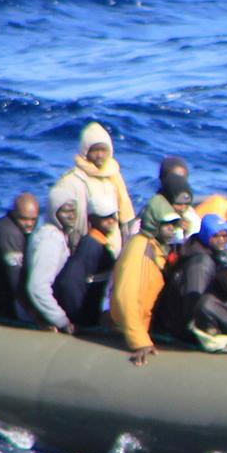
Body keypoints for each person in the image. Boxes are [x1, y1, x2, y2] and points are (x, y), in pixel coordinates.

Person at [108, 200, 187, 366]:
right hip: (134, 328)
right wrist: (140, 341)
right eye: (167, 225)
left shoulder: (154, 246)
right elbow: (125, 297)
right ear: (154, 225)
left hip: (145, 325)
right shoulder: (140, 251)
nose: (172, 229)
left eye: (174, 224)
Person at [53, 122, 135, 253]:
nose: (99, 155)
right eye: (95, 150)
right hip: (87, 244)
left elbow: (125, 212)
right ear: (85, 151)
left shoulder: (114, 176)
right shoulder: (73, 180)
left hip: (114, 245)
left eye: (103, 150)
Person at [52, 198, 119, 330]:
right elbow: (69, 283)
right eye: (104, 217)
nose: (111, 220)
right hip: (84, 319)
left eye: (112, 216)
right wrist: (77, 318)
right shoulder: (91, 246)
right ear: (92, 219)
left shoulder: (101, 244)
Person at [21, 191, 78, 331]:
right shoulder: (50, 240)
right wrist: (61, 321)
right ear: (54, 212)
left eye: (74, 211)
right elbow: (37, 287)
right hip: (40, 316)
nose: (71, 216)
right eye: (65, 211)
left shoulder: (60, 236)